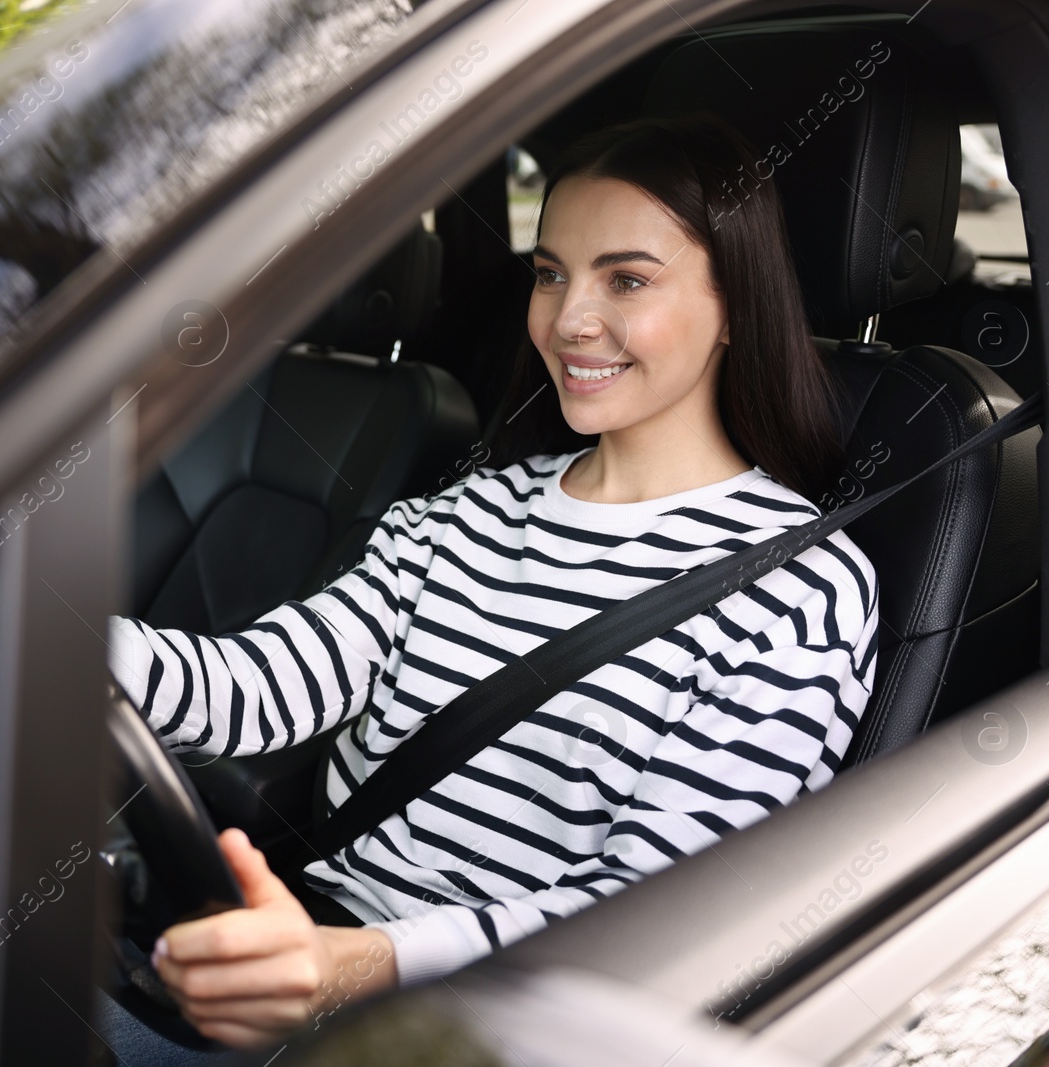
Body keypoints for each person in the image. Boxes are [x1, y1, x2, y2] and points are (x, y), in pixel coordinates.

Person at [100, 113, 880, 1060]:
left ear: (736, 307)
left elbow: (655, 921)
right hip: (312, 960)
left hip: (499, 1033)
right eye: (551, 273)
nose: (570, 320)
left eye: (626, 278)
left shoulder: (800, 584)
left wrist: (352, 965)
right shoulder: (471, 510)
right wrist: (61, 645)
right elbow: (261, 687)